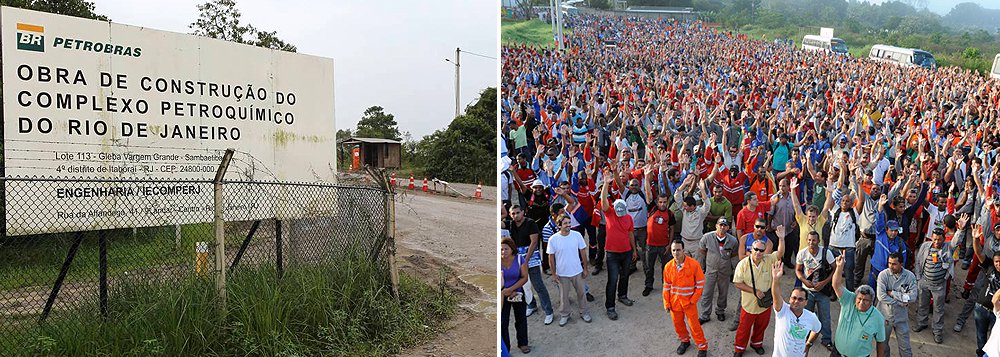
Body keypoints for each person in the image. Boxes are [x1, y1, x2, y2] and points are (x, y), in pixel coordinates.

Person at [732, 224, 786, 356]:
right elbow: (737, 283)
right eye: (755, 249)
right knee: (744, 329)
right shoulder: (743, 264)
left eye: (761, 250)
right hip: (749, 305)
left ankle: (756, 343)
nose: (758, 252)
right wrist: (754, 291)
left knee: (761, 327)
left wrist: (782, 239)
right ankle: (739, 348)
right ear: (751, 250)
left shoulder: (768, 260)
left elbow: (780, 253)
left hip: (764, 305)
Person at [914, 224, 964, 343]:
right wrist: (918, 278)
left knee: (938, 309)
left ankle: (937, 331)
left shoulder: (948, 247)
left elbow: (956, 241)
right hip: (924, 282)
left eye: (939, 239)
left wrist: (961, 229)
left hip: (939, 285)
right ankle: (922, 323)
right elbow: (918, 261)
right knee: (922, 304)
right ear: (931, 237)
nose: (936, 242)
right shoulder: (925, 246)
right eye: (935, 239)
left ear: (944, 238)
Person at [830, 254, 887, 357]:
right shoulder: (849, 299)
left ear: (871, 302)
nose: (861, 302)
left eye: (865, 300)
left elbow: (881, 341)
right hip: (837, 353)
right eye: (859, 299)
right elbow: (836, 285)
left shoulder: (878, 317)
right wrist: (839, 267)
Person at [600, 167, 637, 320]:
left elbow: (630, 234)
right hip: (612, 254)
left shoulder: (628, 218)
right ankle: (610, 307)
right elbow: (603, 202)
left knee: (625, 276)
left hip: (627, 252)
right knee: (612, 279)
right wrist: (606, 184)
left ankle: (622, 295)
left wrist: (634, 250)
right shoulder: (610, 214)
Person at [507, 205, 554, 324]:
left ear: (523, 212)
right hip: (517, 258)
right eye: (513, 213)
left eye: (518, 212)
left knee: (538, 285)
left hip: (530, 257)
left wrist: (526, 260)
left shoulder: (530, 223)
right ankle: (531, 304)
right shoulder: (511, 224)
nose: (515, 215)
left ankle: (548, 311)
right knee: (524, 286)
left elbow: (534, 243)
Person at [663, 239, 708, 357]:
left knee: (694, 326)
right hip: (675, 303)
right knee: (678, 324)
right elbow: (666, 287)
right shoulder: (668, 267)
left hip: (689, 303)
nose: (676, 253)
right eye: (673, 250)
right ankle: (684, 341)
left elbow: (700, 284)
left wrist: (693, 300)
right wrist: (666, 303)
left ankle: (702, 347)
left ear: (683, 250)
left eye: (678, 250)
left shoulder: (694, 265)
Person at [547, 214, 592, 326]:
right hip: (562, 273)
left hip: (577, 271)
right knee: (564, 296)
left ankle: (584, 312)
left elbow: (583, 252)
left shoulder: (577, 235)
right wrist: (553, 274)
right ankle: (565, 315)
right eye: (565, 223)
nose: (568, 225)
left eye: (569, 222)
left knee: (582, 293)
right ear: (559, 225)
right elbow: (551, 258)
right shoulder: (553, 239)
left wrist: (585, 269)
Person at [794, 230, 836, 351]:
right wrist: (804, 280)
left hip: (823, 291)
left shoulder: (826, 253)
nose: (811, 242)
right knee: (806, 316)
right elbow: (798, 269)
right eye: (809, 240)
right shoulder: (802, 253)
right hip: (807, 291)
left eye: (814, 240)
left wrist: (824, 283)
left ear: (818, 241)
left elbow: (834, 269)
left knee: (825, 317)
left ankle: (827, 340)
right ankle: (806, 338)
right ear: (807, 241)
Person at [769, 261, 821, 357]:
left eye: (800, 299)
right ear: (790, 299)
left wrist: (808, 344)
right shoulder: (782, 311)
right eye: (794, 298)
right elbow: (775, 295)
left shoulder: (811, 317)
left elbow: (817, 329)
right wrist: (776, 279)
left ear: (806, 302)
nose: (796, 301)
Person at [697, 217, 739, 324]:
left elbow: (734, 256)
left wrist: (734, 270)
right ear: (716, 226)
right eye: (720, 225)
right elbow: (702, 252)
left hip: (724, 272)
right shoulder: (707, 237)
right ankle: (705, 315)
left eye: (725, 225)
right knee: (706, 293)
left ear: (728, 227)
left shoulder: (733, 241)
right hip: (710, 270)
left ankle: (720, 311)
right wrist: (701, 268)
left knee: (723, 293)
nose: (722, 227)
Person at [876, 252, 917, 357]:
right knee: (883, 346)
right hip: (885, 317)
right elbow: (881, 296)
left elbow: (912, 297)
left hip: (901, 317)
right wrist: (901, 301)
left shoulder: (909, 276)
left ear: (901, 264)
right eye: (889, 263)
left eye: (894, 264)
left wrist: (893, 293)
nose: (891, 266)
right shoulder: (883, 275)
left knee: (905, 347)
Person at [867, 194, 909, 290]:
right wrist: (880, 206)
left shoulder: (901, 244)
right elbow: (879, 220)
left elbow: (903, 262)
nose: (893, 233)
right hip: (875, 270)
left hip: (890, 275)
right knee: (870, 293)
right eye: (891, 230)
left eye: (895, 230)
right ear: (887, 230)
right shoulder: (880, 235)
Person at [972, 224, 1000, 356]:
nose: (998, 264)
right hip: (982, 308)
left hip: (997, 314)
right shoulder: (989, 267)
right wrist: (975, 239)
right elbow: (978, 252)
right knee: (981, 336)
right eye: (996, 261)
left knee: (995, 339)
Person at [644, 184, 676, 297]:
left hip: (664, 246)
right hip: (650, 245)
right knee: (649, 267)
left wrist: (669, 244)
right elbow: (648, 193)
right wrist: (647, 178)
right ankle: (648, 285)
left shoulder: (670, 214)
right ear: (657, 202)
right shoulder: (651, 208)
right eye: (660, 202)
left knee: (666, 268)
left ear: (667, 202)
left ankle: (666, 286)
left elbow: (672, 228)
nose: (662, 204)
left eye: (664, 202)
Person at [500, 237, 530, 354]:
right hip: (502, 295)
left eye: (506, 249)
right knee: (503, 322)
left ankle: (523, 343)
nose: (503, 252)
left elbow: (524, 277)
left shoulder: (519, 259)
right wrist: (504, 290)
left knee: (521, 318)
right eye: (501, 250)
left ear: (512, 249)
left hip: (517, 293)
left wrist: (511, 289)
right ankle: (505, 349)